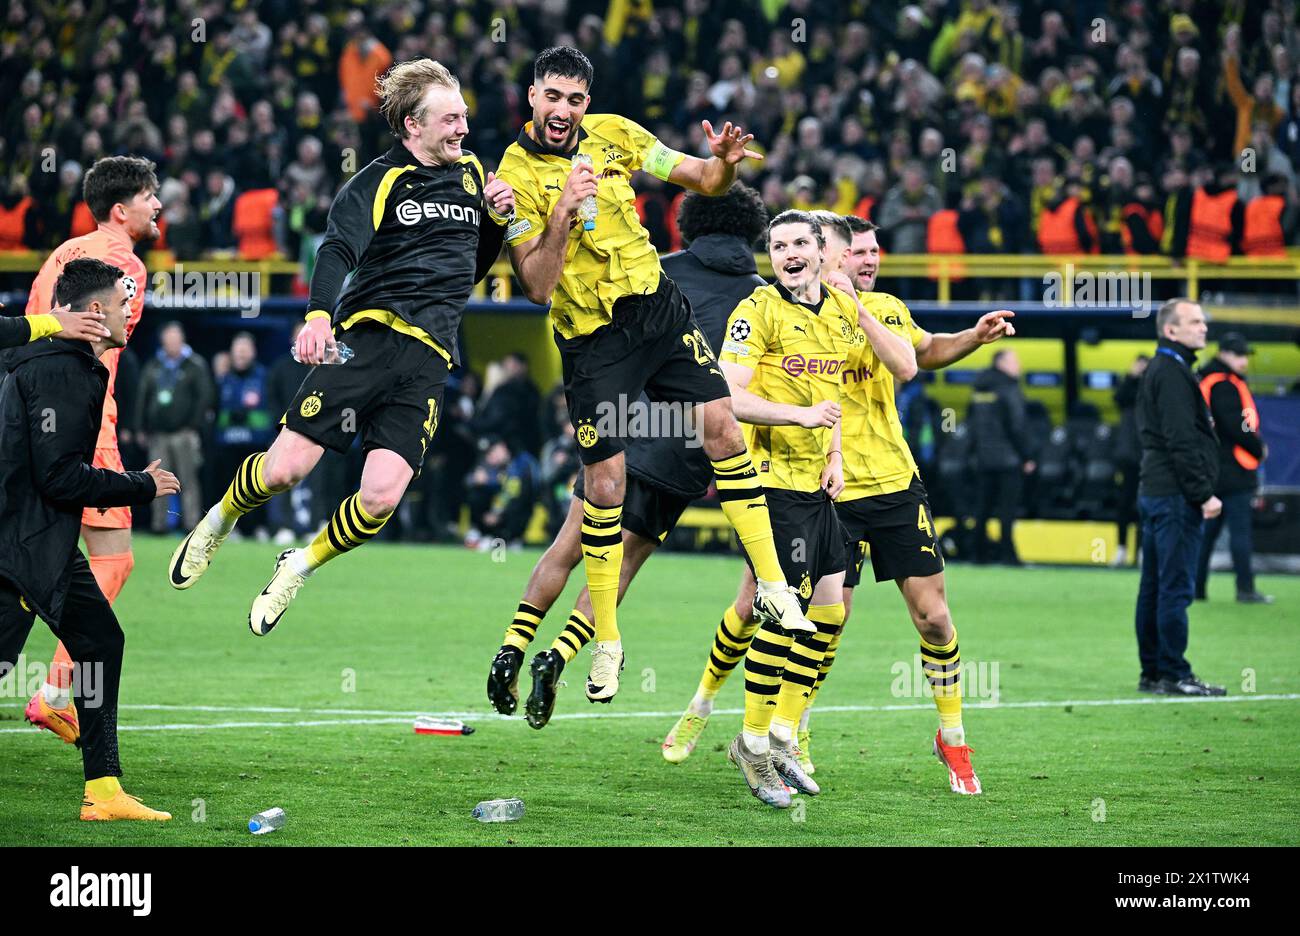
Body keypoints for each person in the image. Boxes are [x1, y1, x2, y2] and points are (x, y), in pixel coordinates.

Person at [497, 46, 810, 705]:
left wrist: (722, 162)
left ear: (587, 101)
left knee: (721, 420)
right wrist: (564, 209)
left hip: (659, 312)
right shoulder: (512, 175)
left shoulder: (616, 133)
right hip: (593, 341)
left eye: (575, 98)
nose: (564, 110)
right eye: (552, 96)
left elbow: (695, 174)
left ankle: (775, 587)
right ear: (531, 97)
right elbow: (536, 284)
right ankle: (603, 640)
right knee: (604, 487)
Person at [664, 216, 1014, 797]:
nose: (869, 260)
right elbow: (737, 390)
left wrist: (970, 338)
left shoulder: (876, 310)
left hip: (883, 480)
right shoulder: (775, 309)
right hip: (797, 483)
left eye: (875, 251)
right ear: (833, 256)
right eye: (857, 252)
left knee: (907, 615)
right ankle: (719, 712)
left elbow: (916, 358)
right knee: (765, 606)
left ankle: (933, 736)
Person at [168, 58, 514, 634]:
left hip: (430, 358)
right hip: (366, 340)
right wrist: (319, 316)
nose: (463, 129)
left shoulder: (475, 174)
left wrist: (497, 224)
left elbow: (468, 271)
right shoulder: (376, 180)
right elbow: (336, 252)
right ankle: (219, 518)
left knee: (379, 499)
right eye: (450, 119)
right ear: (412, 125)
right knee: (283, 472)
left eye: (464, 117)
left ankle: (298, 565)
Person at [484, 183, 769, 727]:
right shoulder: (761, 296)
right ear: (752, 231)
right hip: (686, 443)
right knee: (621, 563)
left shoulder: (655, 271)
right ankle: (560, 656)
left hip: (623, 421)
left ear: (691, 223)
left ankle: (512, 648)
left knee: (569, 546)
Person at [0, 258, 179, 820]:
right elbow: (59, 475)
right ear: (97, 311)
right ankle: (103, 791)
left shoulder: (34, 356)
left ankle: (103, 792)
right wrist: (140, 486)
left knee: (98, 642)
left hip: (30, 538)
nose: (133, 313)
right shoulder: (69, 370)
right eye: (125, 304)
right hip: (24, 542)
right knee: (88, 643)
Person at [714, 210, 858, 808]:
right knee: (784, 613)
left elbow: (835, 392)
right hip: (769, 484)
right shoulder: (757, 310)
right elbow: (727, 393)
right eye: (777, 245)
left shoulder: (843, 311)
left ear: (824, 251)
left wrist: (835, 454)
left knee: (828, 613)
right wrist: (798, 418)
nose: (788, 252)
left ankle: (781, 736)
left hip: (815, 482)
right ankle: (754, 745)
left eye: (800, 242)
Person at [22, 156, 160, 743]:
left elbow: (36, 324)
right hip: (81, 419)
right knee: (114, 557)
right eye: (152, 197)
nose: (160, 207)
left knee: (29, 554)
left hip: (22, 409)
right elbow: (99, 336)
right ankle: (53, 693)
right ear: (121, 209)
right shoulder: (122, 262)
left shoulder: (60, 254)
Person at [1135, 299, 1225, 697]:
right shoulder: (1172, 373)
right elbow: (1181, 440)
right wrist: (1203, 492)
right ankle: (1174, 672)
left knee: (1154, 586)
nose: (1203, 328)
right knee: (1174, 587)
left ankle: (1154, 671)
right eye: (1194, 322)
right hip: (1173, 494)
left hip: (1156, 490)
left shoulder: (1163, 368)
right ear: (1171, 330)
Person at [1196, 333, 1272, 604]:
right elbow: (1237, 424)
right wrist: (1257, 447)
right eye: (1239, 355)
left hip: (1212, 469)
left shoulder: (1208, 379)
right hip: (1233, 470)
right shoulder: (1224, 384)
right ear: (1225, 354)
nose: (1244, 361)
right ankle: (1245, 588)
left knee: (1207, 534)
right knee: (1240, 533)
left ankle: (1197, 588)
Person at [136, 321, 212, 532]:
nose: (172, 342)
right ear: (163, 340)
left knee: (188, 481)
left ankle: (191, 524)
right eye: (168, 338)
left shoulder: (195, 365)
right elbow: (143, 396)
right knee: (157, 481)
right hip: (158, 434)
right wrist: (141, 426)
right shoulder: (154, 365)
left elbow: (205, 397)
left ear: (182, 339)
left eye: (175, 338)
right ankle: (159, 525)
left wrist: (193, 426)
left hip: (184, 433)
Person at [967, 349, 1035, 565]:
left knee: (982, 508)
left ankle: (977, 554)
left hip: (983, 458)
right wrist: (1027, 455)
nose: (1019, 366)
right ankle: (1008, 555)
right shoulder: (1009, 388)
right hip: (1008, 459)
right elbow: (1017, 425)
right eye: (1015, 361)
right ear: (1002, 363)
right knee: (1007, 510)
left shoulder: (978, 388)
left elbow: (971, 424)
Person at [1113, 354, 1149, 566]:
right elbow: (1119, 399)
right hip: (1127, 456)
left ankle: (1143, 549)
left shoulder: (1152, 389)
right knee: (1124, 504)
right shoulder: (1127, 390)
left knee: (1145, 504)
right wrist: (1131, 376)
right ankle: (1121, 548)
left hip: (1147, 456)